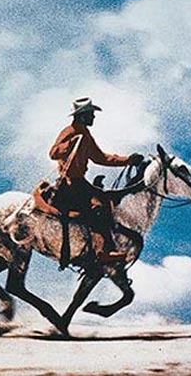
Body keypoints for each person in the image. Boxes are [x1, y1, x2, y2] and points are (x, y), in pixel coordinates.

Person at [49, 97, 143, 263]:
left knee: (107, 201)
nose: (93, 117)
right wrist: (70, 144)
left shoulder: (85, 134)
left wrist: (128, 160)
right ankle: (101, 252)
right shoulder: (70, 131)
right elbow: (53, 153)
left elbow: (100, 158)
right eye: (91, 114)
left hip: (79, 181)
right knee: (98, 207)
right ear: (82, 116)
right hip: (69, 182)